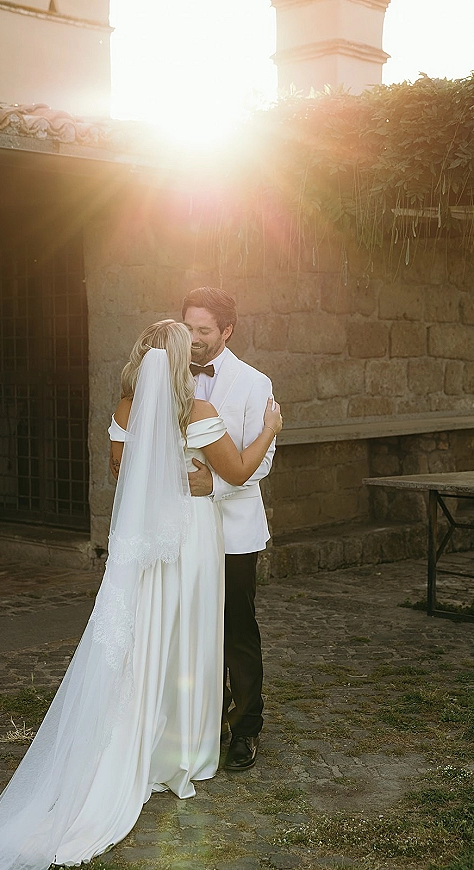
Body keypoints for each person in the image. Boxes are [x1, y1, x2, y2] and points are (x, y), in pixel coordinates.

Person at [0, 319, 282, 870]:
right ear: (179, 363)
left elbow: (121, 472)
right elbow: (242, 468)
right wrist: (270, 427)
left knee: (149, 636)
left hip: (149, 542)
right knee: (190, 635)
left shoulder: (127, 412)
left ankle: (143, 735)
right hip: (193, 536)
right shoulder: (200, 416)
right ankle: (185, 748)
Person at [182, 287, 275, 771]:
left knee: (237, 628)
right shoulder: (172, 377)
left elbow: (262, 461)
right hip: (184, 528)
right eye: (189, 328)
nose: (194, 339)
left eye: (204, 331)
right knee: (194, 627)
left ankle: (245, 728)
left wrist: (211, 485)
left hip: (235, 527)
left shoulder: (255, 383)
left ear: (227, 331)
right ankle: (202, 722)